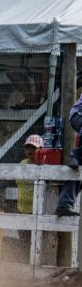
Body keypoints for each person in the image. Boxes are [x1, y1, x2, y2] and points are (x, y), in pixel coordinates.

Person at [55, 89, 82, 217]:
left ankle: (64, 205)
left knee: (78, 170)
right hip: (78, 115)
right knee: (78, 160)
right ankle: (76, 156)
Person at [16, 135, 43, 214]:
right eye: (28, 147)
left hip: (37, 210)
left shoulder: (43, 165)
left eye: (34, 147)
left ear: (41, 149)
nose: (30, 150)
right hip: (21, 209)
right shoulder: (22, 163)